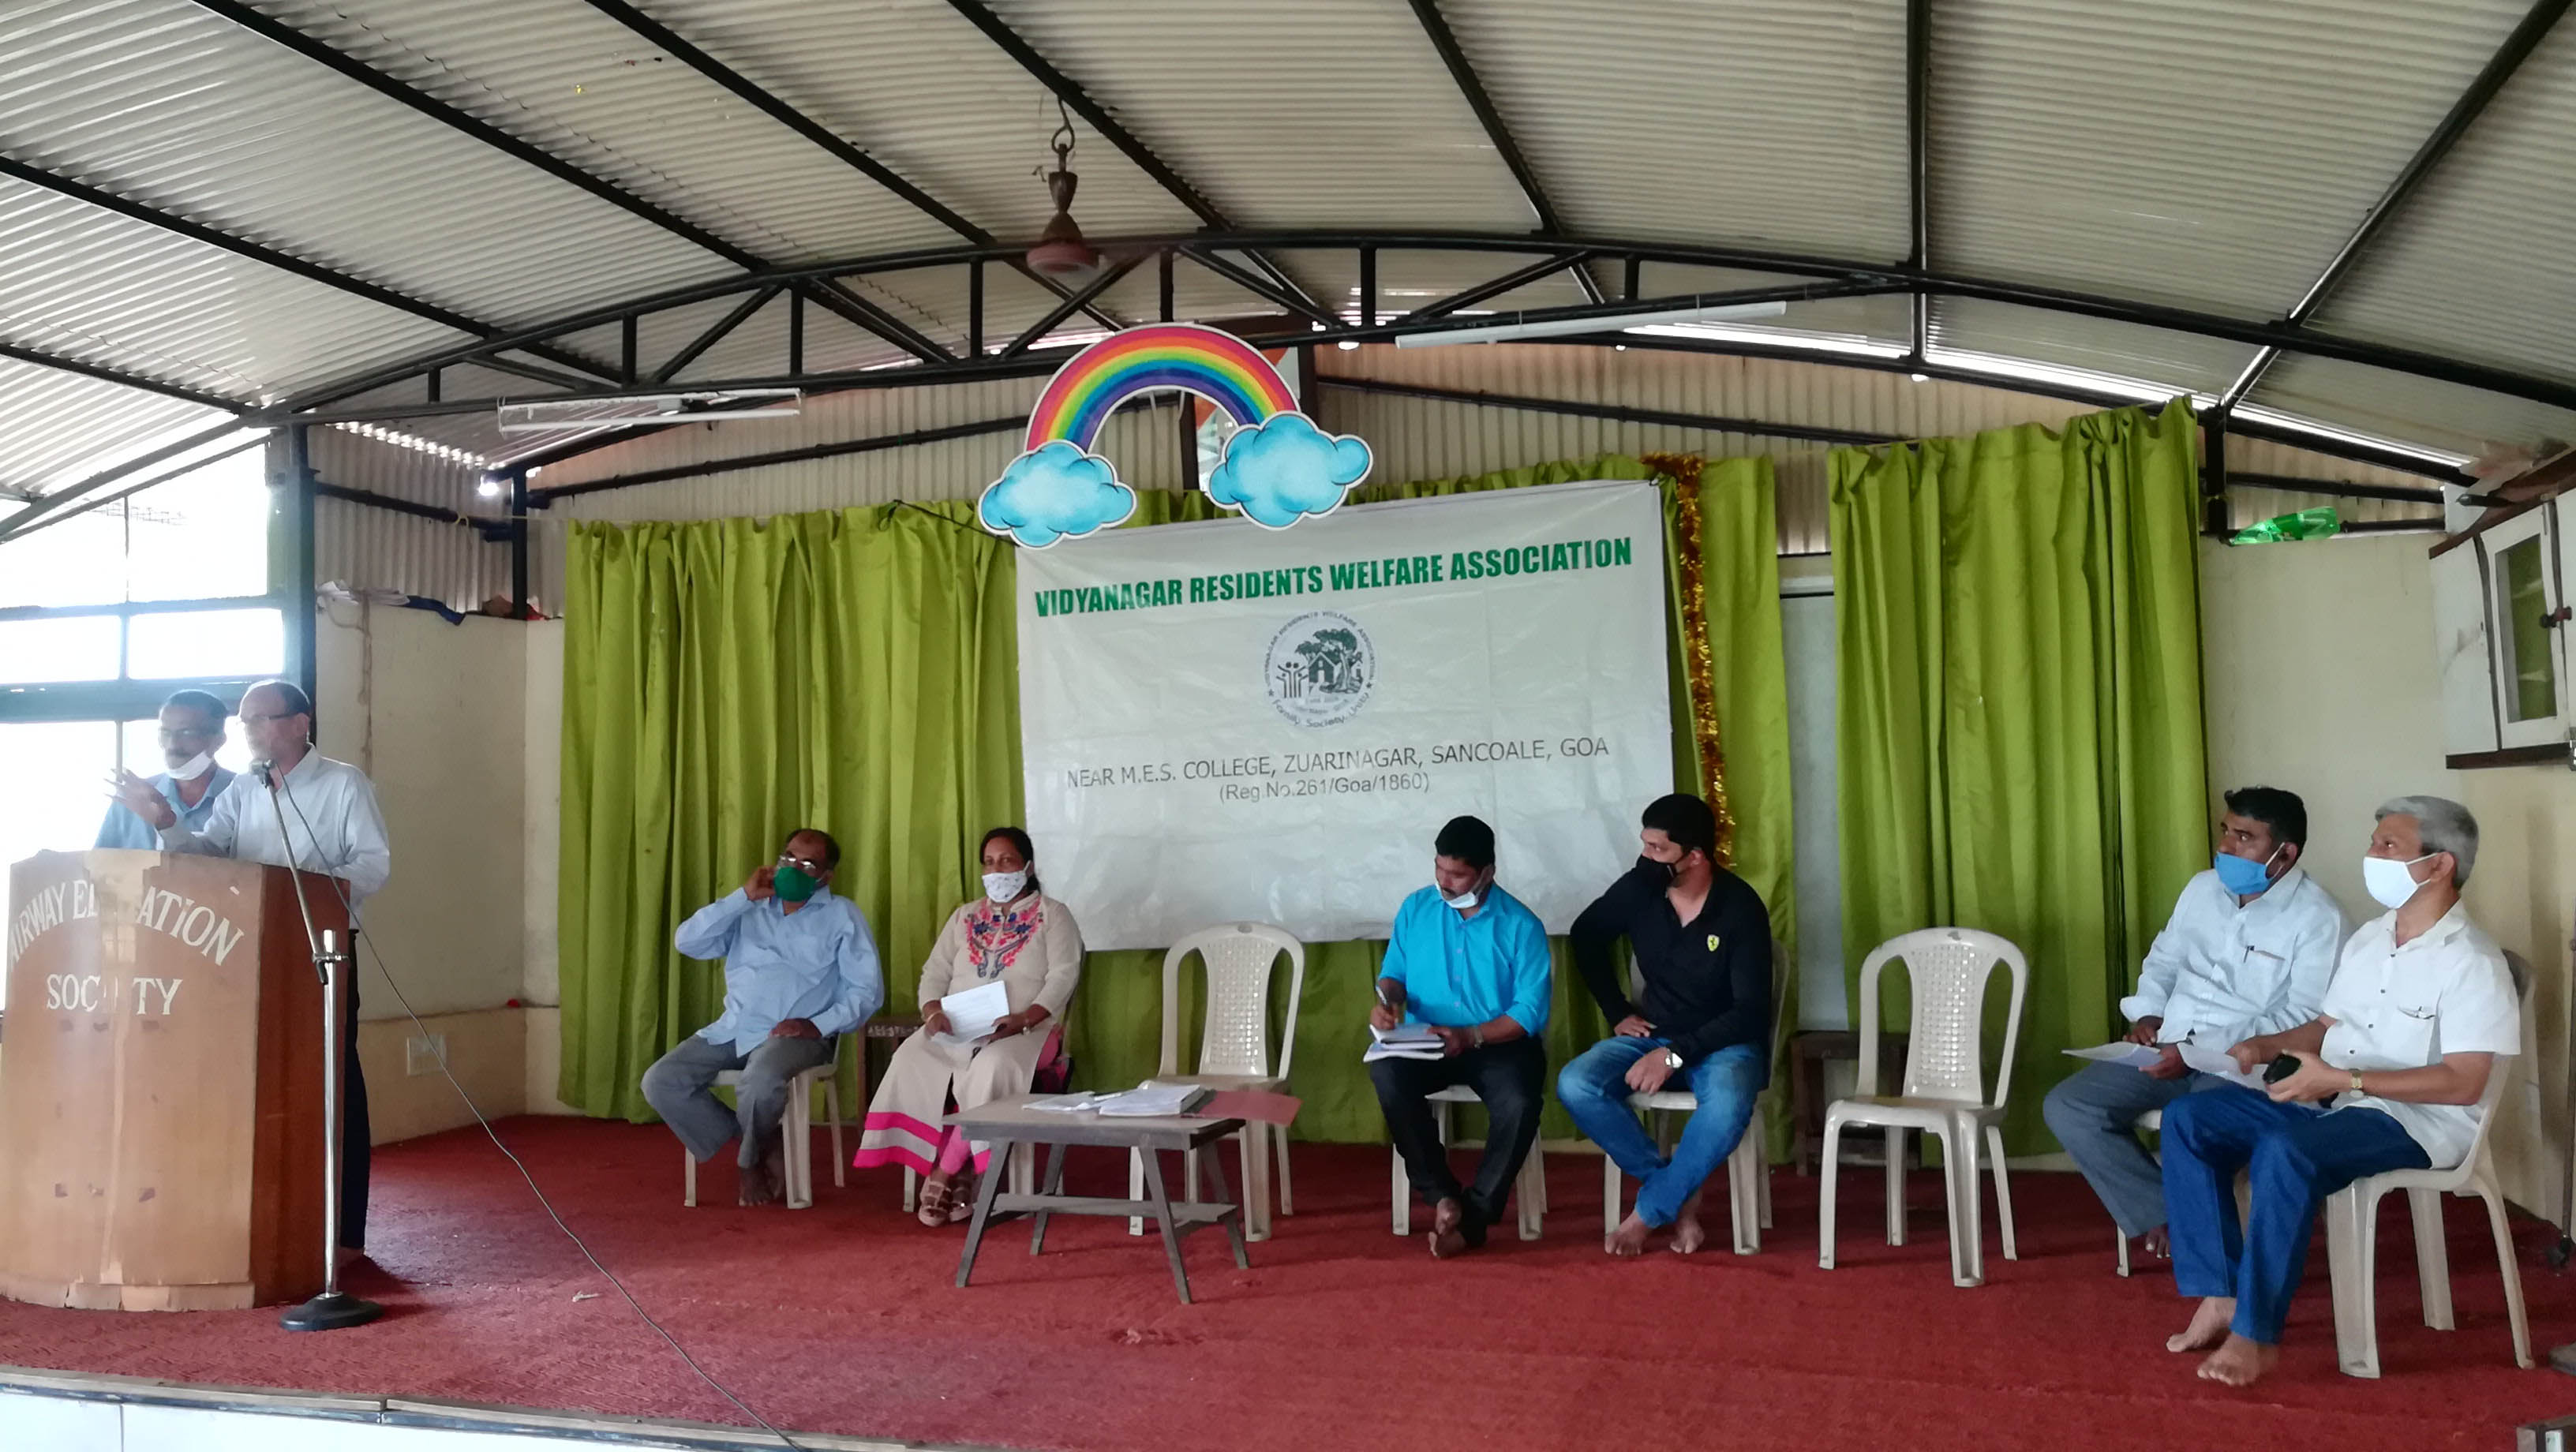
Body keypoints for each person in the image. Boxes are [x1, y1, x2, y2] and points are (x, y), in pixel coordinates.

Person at [2161, 796, 2518, 1388]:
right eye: (2372, 842)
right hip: (2340, 1101)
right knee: (2191, 1120)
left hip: (2417, 1122)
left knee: (2285, 1154)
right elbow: (2327, 1028)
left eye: (2388, 847)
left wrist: (2344, 1080)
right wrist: (2265, 1045)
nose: (2369, 856)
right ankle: (2220, 1293)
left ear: (2439, 865)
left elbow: (2464, 1082)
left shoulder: (2471, 962)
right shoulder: (2375, 937)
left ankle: (2257, 1333)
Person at [110, 678, 391, 1257]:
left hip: (322, 950)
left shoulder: (343, 784)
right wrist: (165, 820)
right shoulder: (243, 791)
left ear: (298, 723)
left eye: (261, 719)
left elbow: (372, 865)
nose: (251, 731)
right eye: (244, 721)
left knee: (335, 1084)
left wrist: (306, 894)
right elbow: (211, 859)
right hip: (245, 952)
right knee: (255, 1078)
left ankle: (345, 1235)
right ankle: (264, 1219)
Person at [2042, 787, 2346, 1263]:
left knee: (2199, 1125)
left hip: (2241, 1066)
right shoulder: (2202, 889)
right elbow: (2163, 960)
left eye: (2245, 837)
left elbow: (2304, 1018)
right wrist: (2147, 1014)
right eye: (2225, 831)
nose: (2225, 847)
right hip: (2166, 1048)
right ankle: (2165, 1211)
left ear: (2284, 853)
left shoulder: (2319, 918)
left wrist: (2199, 1050)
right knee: (2070, 1106)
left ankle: (2219, 1252)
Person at [1558, 792, 1773, 1256]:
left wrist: (1675, 1056)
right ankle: (1678, 1193)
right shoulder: (1639, 890)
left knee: (1728, 1104)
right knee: (1576, 1083)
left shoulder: (1740, 908)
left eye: (1658, 850)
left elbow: (1750, 1011)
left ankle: (1650, 1212)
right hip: (1652, 1032)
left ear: (1694, 856)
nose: (1645, 858)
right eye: (1644, 845)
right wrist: (1617, 1011)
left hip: (1725, 1043)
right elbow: (1586, 936)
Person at [854, 827, 1084, 1225]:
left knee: (991, 1067)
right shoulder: (965, 916)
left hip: (1029, 1032)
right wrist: (931, 1012)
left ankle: (944, 1171)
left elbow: (1064, 975)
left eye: (1007, 861)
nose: (997, 870)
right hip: (959, 1029)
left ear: (1027, 867)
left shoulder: (1053, 914)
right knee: (911, 1056)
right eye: (989, 862)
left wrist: (1026, 1017)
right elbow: (935, 972)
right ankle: (962, 1172)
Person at [644, 829, 886, 1207]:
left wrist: (816, 1024)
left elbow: (866, 993)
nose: (794, 868)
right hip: (735, 1027)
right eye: (788, 857)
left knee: (761, 1079)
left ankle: (748, 1163)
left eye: (808, 864)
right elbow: (686, 942)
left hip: (797, 1037)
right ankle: (759, 1140)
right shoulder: (750, 908)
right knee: (661, 1081)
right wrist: (742, 897)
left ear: (826, 876)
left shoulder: (842, 915)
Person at [1368, 814, 1552, 1258]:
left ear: (1487, 872)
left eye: (1457, 874)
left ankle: (1473, 1217)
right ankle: (1442, 1195)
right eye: (1439, 869)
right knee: (1389, 1076)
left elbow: (1528, 1014)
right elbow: (1393, 975)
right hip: (1426, 1039)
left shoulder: (1521, 925)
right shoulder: (1416, 908)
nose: (1445, 882)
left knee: (1520, 1102)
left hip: (1497, 1043)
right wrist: (1387, 1000)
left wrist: (1472, 1035)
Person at [95, 689, 236, 848]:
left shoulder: (242, 796)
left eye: (187, 733)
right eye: (165, 733)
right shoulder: (131, 798)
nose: (173, 745)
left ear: (219, 740)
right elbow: (99, 867)